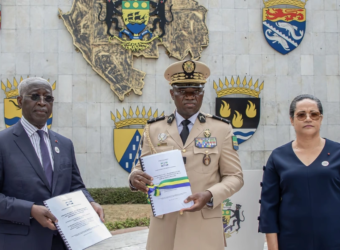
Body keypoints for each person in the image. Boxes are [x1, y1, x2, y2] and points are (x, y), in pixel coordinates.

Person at [129, 60, 244, 250]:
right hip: (165, 229)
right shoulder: (154, 128)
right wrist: (133, 177)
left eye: (196, 91)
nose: (190, 97)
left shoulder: (221, 129)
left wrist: (210, 194)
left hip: (203, 228)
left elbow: (235, 177)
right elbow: (141, 167)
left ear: (202, 94)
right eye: (183, 92)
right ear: (172, 94)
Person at [0, 77, 104, 250]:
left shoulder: (64, 144)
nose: (42, 103)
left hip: (62, 242)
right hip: (20, 242)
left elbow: (75, 186)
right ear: (19, 101)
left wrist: (90, 203)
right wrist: (29, 210)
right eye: (34, 97)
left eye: (48, 98)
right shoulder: (3, 143)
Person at [258, 94, 340, 250]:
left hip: (335, 240)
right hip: (291, 241)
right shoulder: (278, 157)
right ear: (292, 120)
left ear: (320, 119)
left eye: (313, 114)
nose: (308, 118)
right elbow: (269, 208)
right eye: (301, 115)